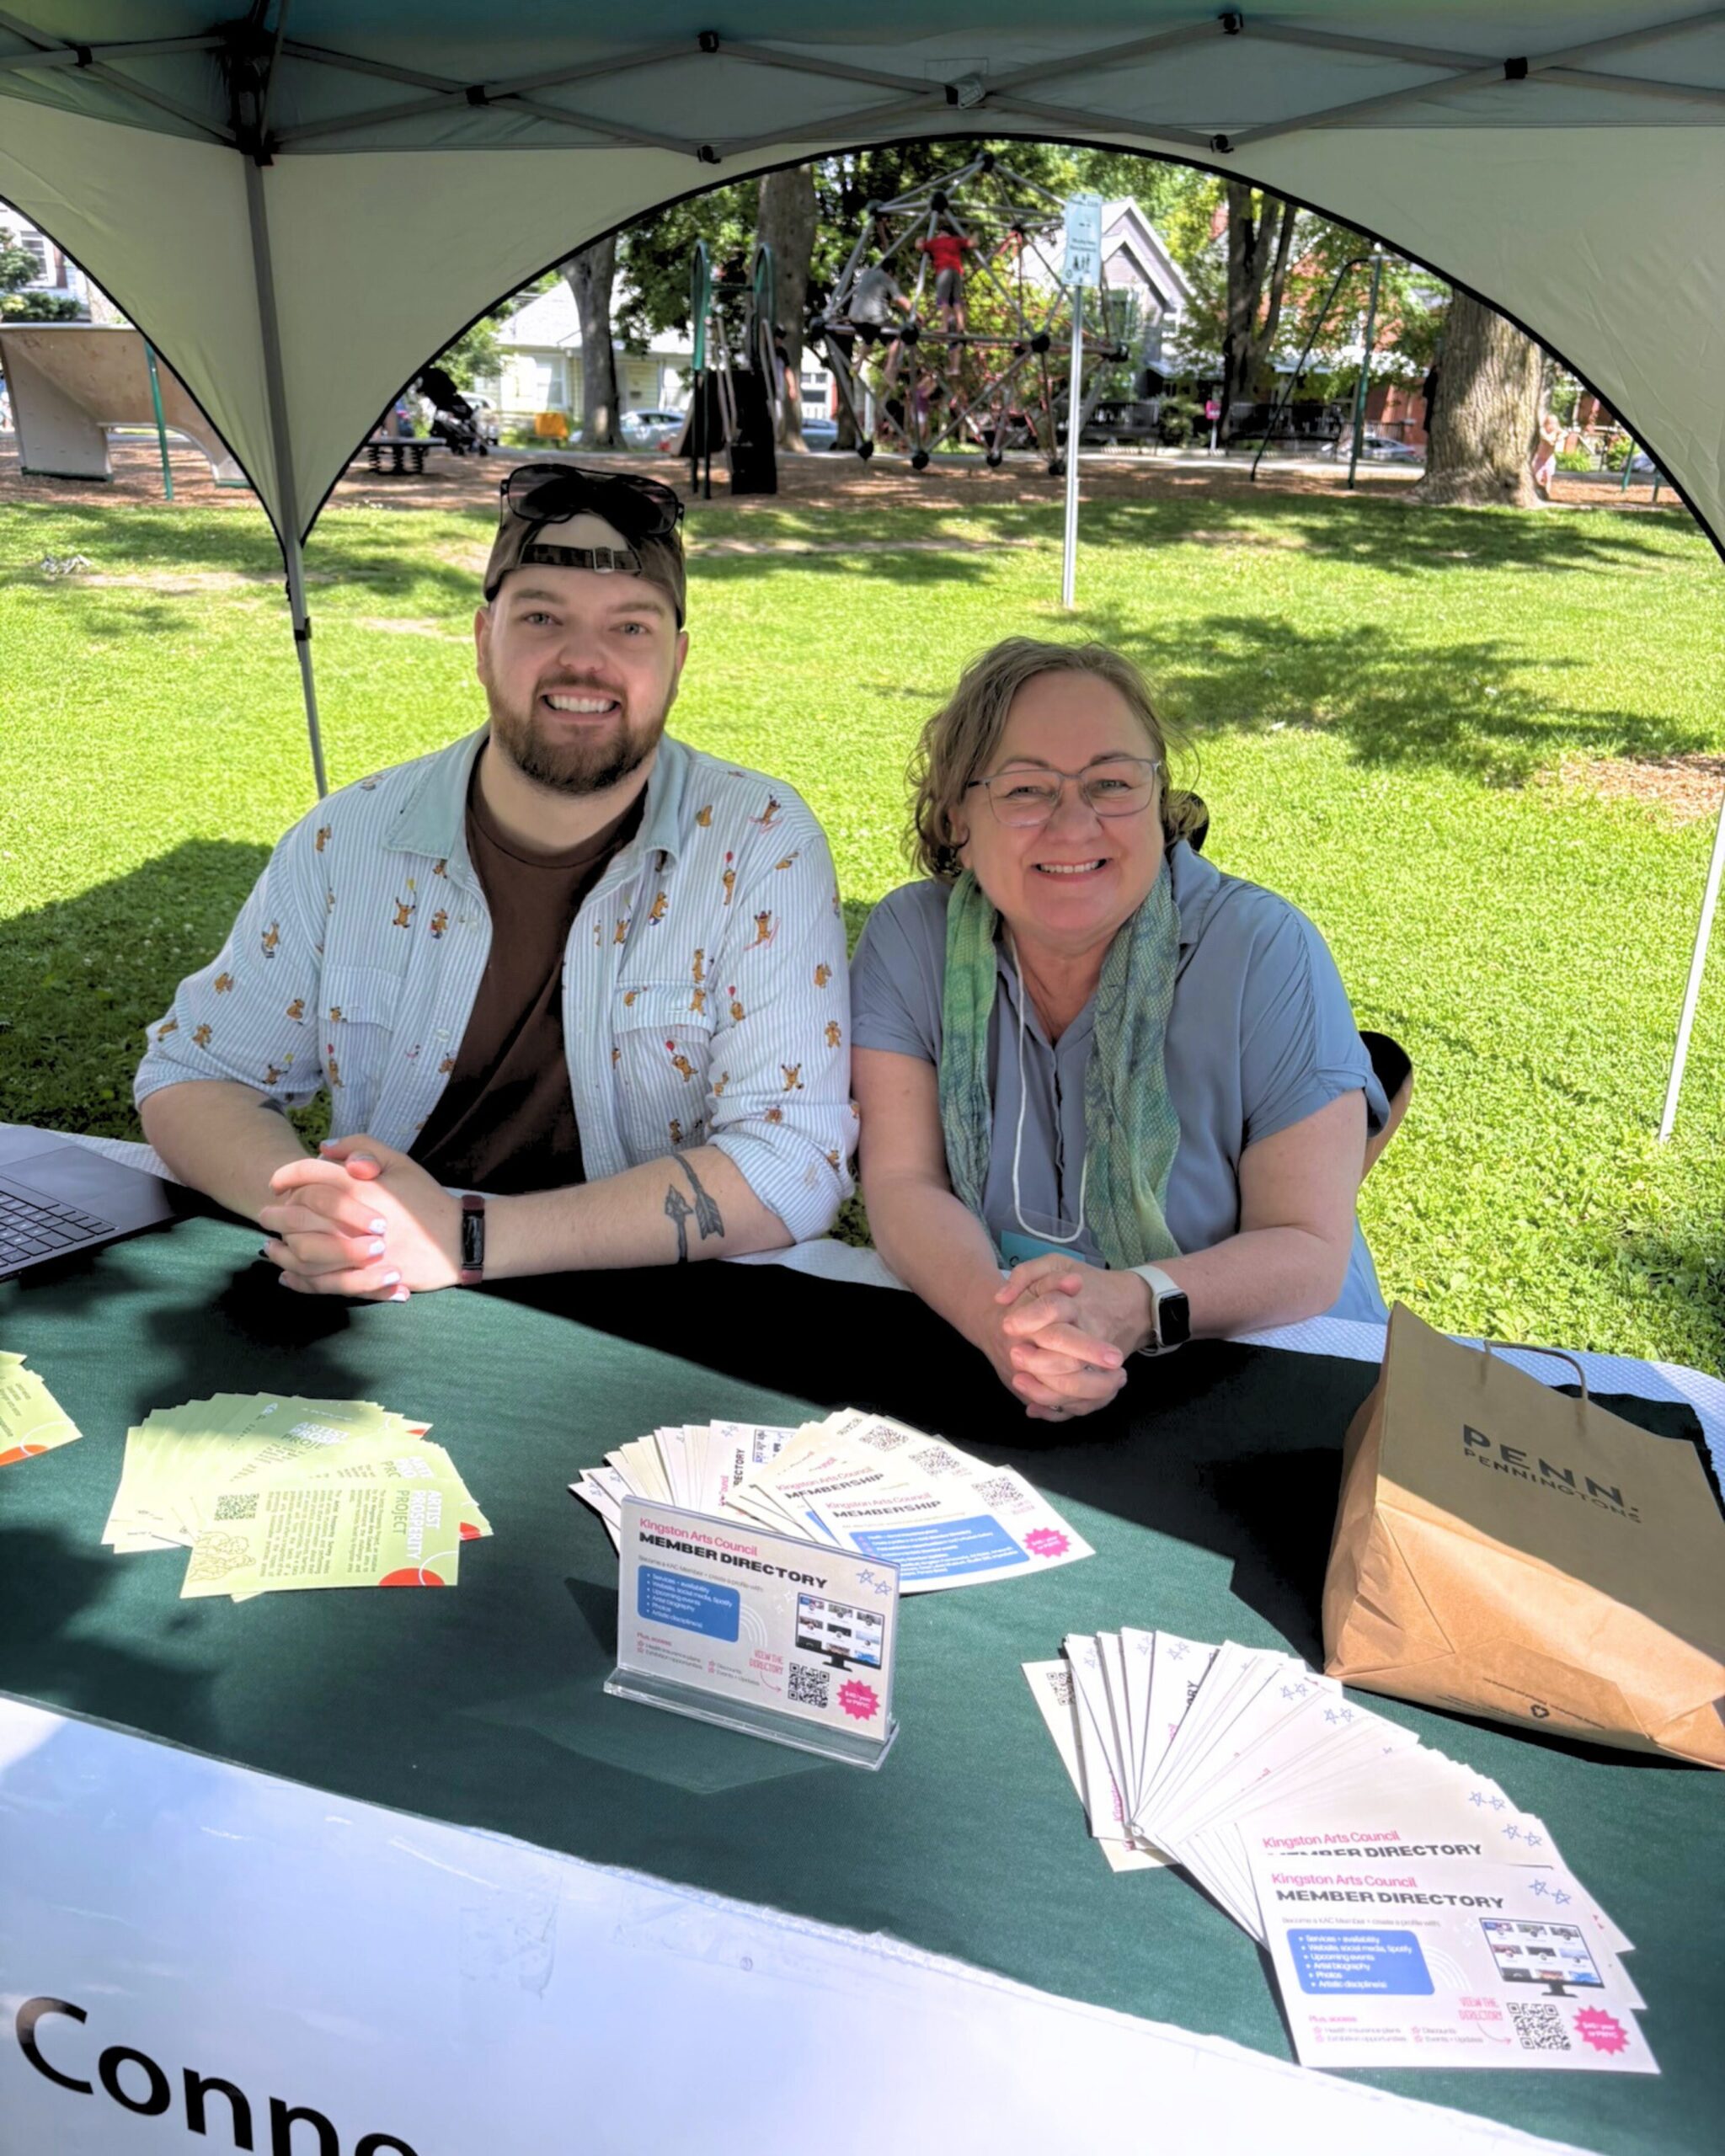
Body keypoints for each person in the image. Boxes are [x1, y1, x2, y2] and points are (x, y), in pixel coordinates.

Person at [136, 464, 853, 1299]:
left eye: (631, 628)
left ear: (677, 659)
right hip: (381, 1289)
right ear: (482, 641)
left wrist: (466, 1238)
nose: (583, 661)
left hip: (649, 1308)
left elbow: (795, 1159)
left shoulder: (757, 843)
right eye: (541, 617)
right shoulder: (351, 839)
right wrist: (329, 1216)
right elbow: (195, 1074)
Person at [850, 638, 1390, 1424]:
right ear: (956, 818)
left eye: (1111, 783)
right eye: (1026, 789)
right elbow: (905, 1184)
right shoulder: (909, 938)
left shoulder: (1263, 949)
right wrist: (1002, 1328)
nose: (1075, 824)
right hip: (1004, 1360)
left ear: (1161, 799)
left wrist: (1131, 1307)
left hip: (1266, 1368)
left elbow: (1305, 1247)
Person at [916, 222, 977, 336]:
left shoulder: (935, 242)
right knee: (956, 300)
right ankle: (961, 326)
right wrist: (975, 234)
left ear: (940, 233)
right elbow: (972, 243)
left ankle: (944, 326)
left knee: (943, 300)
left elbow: (920, 246)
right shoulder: (956, 241)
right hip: (957, 272)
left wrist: (920, 239)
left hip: (943, 271)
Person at [1530, 408, 1561, 498]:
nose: (1552, 426)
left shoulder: (1557, 432)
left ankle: (1547, 494)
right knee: (1537, 478)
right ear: (1545, 424)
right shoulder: (1542, 431)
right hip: (1539, 459)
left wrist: (1559, 437)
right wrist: (1551, 440)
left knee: (1548, 478)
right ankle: (1536, 492)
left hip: (1549, 460)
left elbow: (1565, 433)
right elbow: (1545, 437)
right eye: (1550, 423)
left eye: (1554, 423)